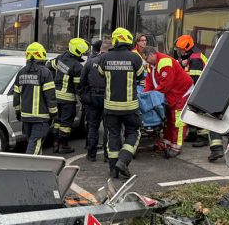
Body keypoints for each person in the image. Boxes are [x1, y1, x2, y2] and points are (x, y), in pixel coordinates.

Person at [97, 28, 145, 178]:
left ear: (115, 40)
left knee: (113, 135)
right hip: (130, 107)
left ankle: (113, 170)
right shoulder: (135, 58)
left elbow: (100, 74)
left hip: (110, 107)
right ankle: (123, 161)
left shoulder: (105, 58)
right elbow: (141, 76)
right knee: (134, 132)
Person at [141, 46, 193, 158]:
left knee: (178, 120)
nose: (146, 61)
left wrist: (153, 95)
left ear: (151, 55)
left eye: (146, 59)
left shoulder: (165, 62)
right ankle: (168, 141)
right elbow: (149, 82)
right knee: (169, 118)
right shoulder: (152, 64)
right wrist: (146, 95)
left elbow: (166, 84)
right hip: (171, 93)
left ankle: (177, 146)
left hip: (182, 91)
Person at [13, 42, 57, 155]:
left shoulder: (21, 73)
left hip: (26, 117)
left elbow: (16, 96)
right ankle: (29, 168)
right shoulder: (45, 73)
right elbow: (50, 96)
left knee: (33, 143)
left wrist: (18, 112)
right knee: (35, 144)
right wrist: (54, 114)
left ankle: (37, 167)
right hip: (41, 117)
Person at [48, 37, 89, 154]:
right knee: (66, 123)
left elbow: (48, 65)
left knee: (57, 121)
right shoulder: (77, 67)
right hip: (67, 99)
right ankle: (63, 145)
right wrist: (84, 100)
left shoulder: (60, 58)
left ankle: (56, 144)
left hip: (56, 97)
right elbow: (78, 87)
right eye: (83, 52)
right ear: (77, 51)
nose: (84, 54)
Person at [175, 35, 210, 148]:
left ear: (187, 48)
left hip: (199, 88)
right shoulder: (192, 56)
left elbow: (194, 78)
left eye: (181, 50)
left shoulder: (195, 58)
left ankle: (203, 137)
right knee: (191, 111)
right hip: (197, 88)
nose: (180, 52)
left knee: (199, 113)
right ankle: (193, 134)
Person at [80, 39, 110, 162]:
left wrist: (85, 94)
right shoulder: (111, 63)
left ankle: (91, 153)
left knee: (93, 126)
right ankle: (107, 155)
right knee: (109, 128)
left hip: (92, 97)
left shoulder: (90, 62)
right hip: (108, 97)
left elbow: (82, 81)